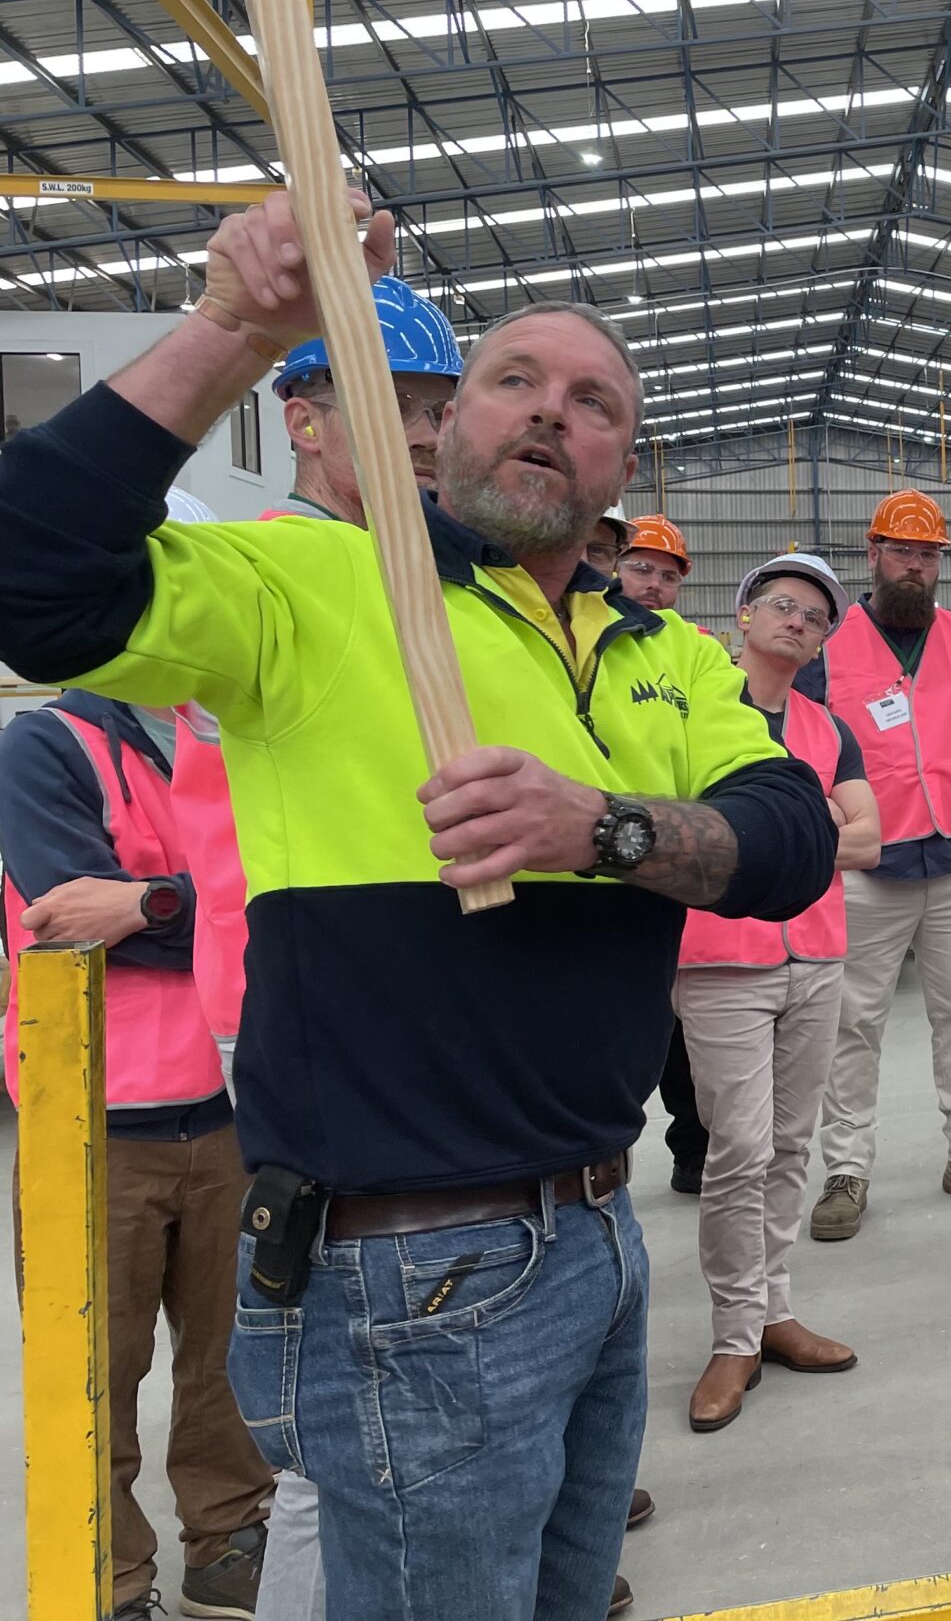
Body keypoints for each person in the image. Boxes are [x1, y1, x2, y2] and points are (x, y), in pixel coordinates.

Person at [0, 188, 837, 1621]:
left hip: (599, 1227)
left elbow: (790, 842)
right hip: (409, 1266)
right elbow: (32, 575)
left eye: (592, 402)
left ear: (621, 460)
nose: (548, 413)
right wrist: (233, 329)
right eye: (514, 378)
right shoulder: (314, 583)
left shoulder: (661, 651)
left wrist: (602, 827)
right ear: (444, 423)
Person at [161, 295, 465, 1621]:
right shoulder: (267, 573)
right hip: (309, 1023)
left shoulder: (405, 573)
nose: (430, 437)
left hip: (398, 1014)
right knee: (341, 1411)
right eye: (400, 407)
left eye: (440, 410)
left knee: (423, 1365)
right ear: (301, 417)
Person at [0, 668, 272, 1621]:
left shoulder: (233, 735)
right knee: (92, 1371)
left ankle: (227, 1537)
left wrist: (146, 902)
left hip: (235, 1100)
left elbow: (283, 893)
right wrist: (193, 907)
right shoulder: (44, 748)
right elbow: (65, 911)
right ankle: (107, 1580)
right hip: (94, 1117)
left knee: (233, 1355)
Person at [675, 551, 880, 1434]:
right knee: (740, 1150)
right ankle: (732, 1336)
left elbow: (871, 839)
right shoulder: (693, 716)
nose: (798, 621)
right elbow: (678, 836)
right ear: (744, 617)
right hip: (721, 960)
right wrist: (812, 830)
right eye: (783, 606)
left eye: (816, 615)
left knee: (792, 1146)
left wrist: (759, 846)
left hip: (817, 956)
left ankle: (774, 1312)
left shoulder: (829, 729)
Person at [809, 489, 951, 1235]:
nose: (915, 565)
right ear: (873, 554)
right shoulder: (829, 644)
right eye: (902, 551)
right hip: (866, 870)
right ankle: (846, 1170)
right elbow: (798, 752)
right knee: (852, 1023)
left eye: (929, 554)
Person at [612, 512, 711, 1191]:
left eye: (666, 575)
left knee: (680, 1028)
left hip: (668, 860)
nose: (652, 585)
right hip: (590, 861)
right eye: (641, 568)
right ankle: (598, 1161)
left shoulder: (691, 649)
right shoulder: (578, 637)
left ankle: (692, 1148)